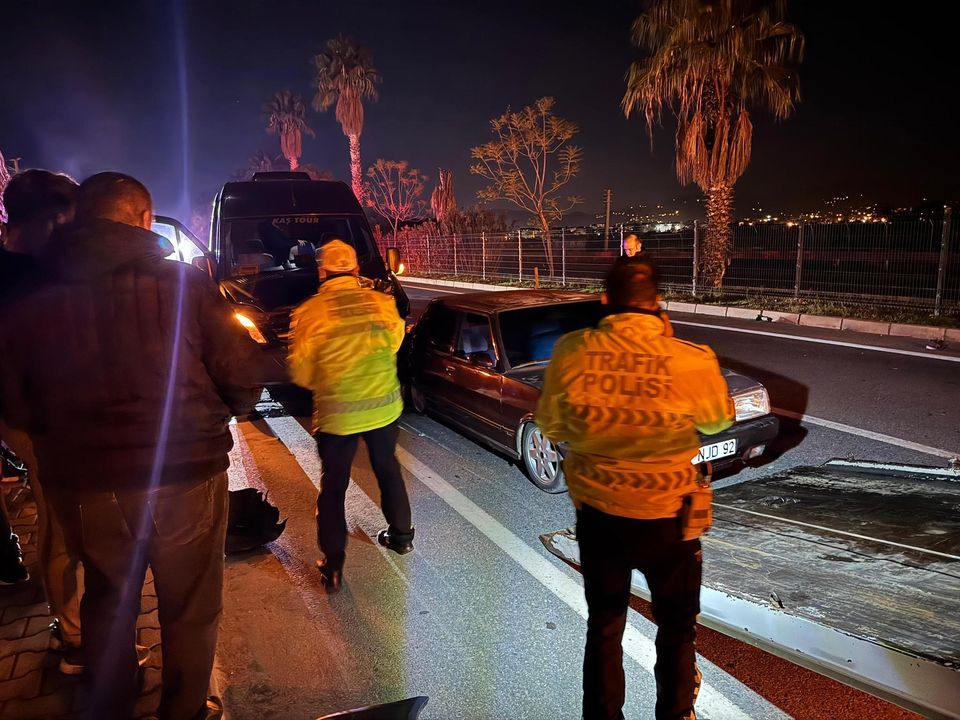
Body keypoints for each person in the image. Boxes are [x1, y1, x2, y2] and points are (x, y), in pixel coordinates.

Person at [0, 171, 262, 720]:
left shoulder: (33, 297)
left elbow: (16, 402)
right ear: (144, 219)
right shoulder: (185, 284)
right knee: (190, 605)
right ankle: (185, 710)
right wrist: (229, 413)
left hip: (82, 481)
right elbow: (240, 367)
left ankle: (112, 702)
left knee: (106, 596)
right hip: (185, 472)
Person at [535, 254, 734, 720]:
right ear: (657, 304)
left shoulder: (572, 351)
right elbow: (719, 418)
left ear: (606, 302)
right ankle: (676, 713)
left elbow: (551, 425)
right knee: (676, 630)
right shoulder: (688, 359)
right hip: (670, 522)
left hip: (600, 519)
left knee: (605, 626)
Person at [288, 239, 414, 594]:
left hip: (338, 415)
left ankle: (333, 566)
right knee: (387, 469)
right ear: (357, 269)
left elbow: (300, 372)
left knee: (334, 487)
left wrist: (327, 382)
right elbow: (394, 343)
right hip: (384, 408)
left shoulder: (311, 312)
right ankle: (402, 538)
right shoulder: (382, 302)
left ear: (322, 271)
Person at [0, 171, 82, 654]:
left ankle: (73, 629)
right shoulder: (42, 274)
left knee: (62, 519)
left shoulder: (29, 267)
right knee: (67, 521)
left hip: (36, 419)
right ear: (54, 219)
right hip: (45, 421)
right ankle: (75, 636)